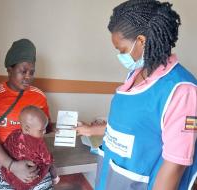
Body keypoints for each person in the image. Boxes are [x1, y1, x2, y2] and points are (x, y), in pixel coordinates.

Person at [76, 1, 197, 190]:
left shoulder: (182, 90)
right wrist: (90, 131)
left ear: (142, 41)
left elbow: (175, 164)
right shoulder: (135, 74)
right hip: (111, 179)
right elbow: (132, 129)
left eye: (122, 50)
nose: (121, 56)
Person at [0, 39, 54, 190]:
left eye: (32, 72)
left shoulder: (39, 96)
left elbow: (46, 127)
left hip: (32, 156)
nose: (28, 77)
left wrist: (65, 128)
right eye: (23, 71)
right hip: (0, 157)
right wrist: (12, 165)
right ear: (9, 69)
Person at [0, 105, 60, 189]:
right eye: (42, 130)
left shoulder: (15, 133)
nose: (45, 132)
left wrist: (6, 162)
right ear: (26, 128)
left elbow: (6, 146)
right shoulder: (39, 145)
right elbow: (48, 161)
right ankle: (55, 178)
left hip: (7, 174)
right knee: (49, 163)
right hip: (25, 181)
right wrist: (55, 176)